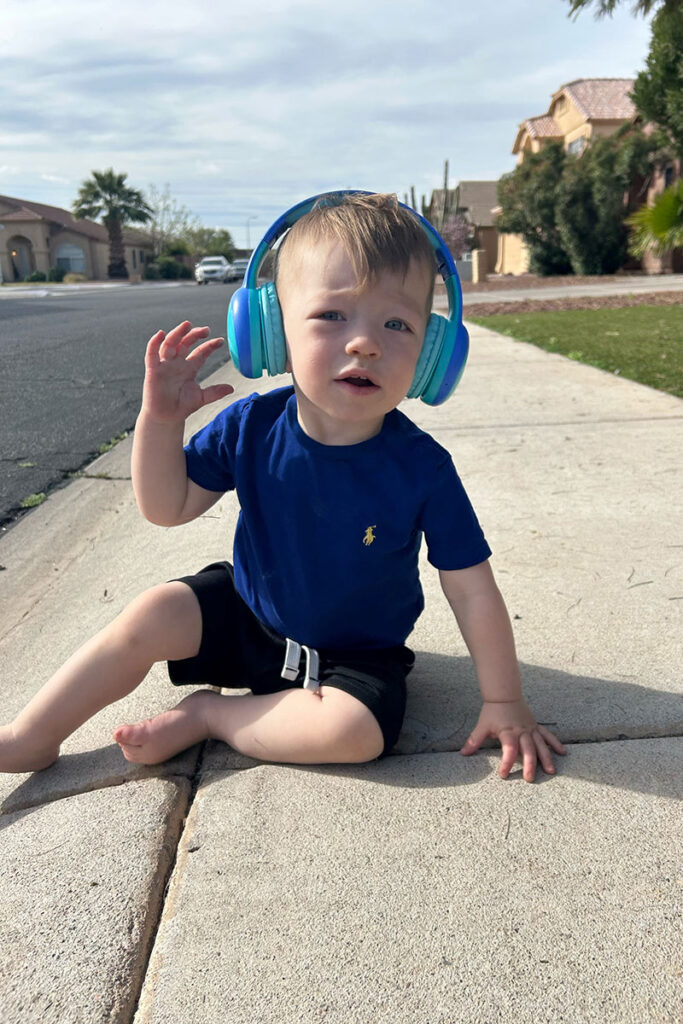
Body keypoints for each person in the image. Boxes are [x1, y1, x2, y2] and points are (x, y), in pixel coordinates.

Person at [0, 192, 566, 781]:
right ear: (273, 333)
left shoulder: (423, 466)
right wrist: (161, 424)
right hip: (250, 617)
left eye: (396, 323)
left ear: (432, 355)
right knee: (153, 612)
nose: (365, 342)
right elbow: (166, 507)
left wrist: (503, 702)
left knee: (353, 734)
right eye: (331, 316)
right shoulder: (250, 427)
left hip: (358, 657)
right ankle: (31, 736)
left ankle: (212, 717)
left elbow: (472, 589)